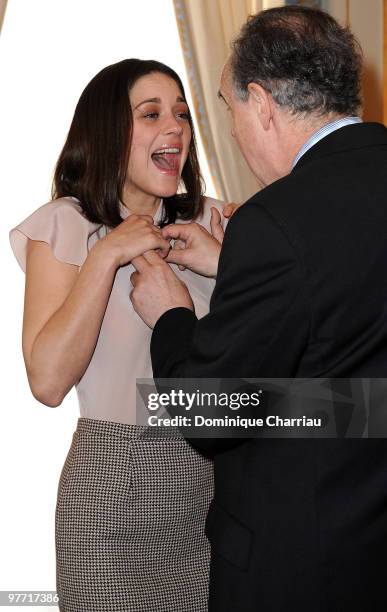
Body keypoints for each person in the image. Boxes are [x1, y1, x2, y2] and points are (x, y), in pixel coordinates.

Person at [130, 7, 387, 612]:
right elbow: (360, 383)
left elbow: (205, 412)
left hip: (305, 565)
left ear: (261, 102)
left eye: (226, 108)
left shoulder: (278, 219)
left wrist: (171, 316)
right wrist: (234, 267)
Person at [9, 58, 235, 612]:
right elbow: (48, 381)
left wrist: (233, 263)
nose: (176, 127)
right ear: (109, 129)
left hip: (216, 486)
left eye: (182, 114)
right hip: (112, 493)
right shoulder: (64, 223)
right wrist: (108, 253)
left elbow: (262, 370)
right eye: (152, 113)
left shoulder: (215, 223)